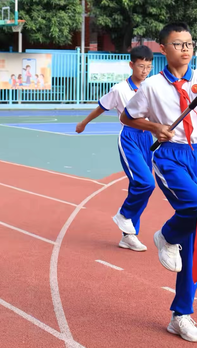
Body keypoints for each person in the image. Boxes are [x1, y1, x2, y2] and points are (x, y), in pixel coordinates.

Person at [120, 23, 197, 343]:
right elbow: (128, 117)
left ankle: (181, 314)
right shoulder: (151, 85)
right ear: (163, 49)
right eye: (177, 44)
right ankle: (166, 234)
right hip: (170, 156)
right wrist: (154, 126)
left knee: (196, 242)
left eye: (189, 43)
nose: (185, 48)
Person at [76, 46, 155, 252]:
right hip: (130, 137)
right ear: (131, 65)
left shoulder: (152, 87)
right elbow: (101, 107)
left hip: (148, 138)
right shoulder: (120, 89)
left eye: (148, 67)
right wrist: (84, 123)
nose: (145, 70)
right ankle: (124, 215)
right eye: (141, 66)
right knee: (145, 183)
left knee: (139, 187)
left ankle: (128, 235)